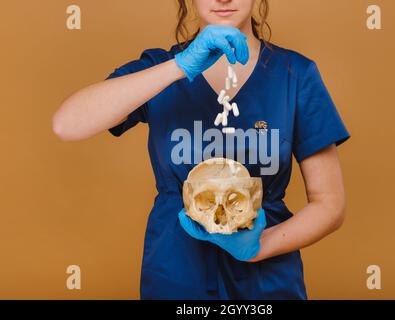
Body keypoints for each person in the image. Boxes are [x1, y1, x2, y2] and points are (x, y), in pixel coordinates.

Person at [53, 0, 350, 300]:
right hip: (176, 277)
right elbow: (67, 124)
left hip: (267, 285)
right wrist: (178, 67)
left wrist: (261, 246)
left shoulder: (294, 74)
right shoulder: (159, 69)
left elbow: (329, 203)